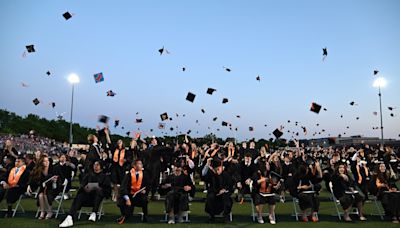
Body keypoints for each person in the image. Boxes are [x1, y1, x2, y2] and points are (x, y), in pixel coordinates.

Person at [59, 161, 111, 227]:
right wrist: (85, 188)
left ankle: (94, 212)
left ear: (101, 166)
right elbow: (82, 185)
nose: (95, 166)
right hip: (87, 197)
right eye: (94, 164)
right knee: (80, 196)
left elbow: (107, 190)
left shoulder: (105, 177)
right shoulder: (88, 175)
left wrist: (98, 187)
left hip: (97, 198)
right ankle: (70, 217)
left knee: (98, 191)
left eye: (97, 165)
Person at [116, 159, 150, 224]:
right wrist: (127, 199)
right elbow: (123, 187)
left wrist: (145, 190)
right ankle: (123, 214)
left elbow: (148, 184)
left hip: (139, 195)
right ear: (134, 166)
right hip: (129, 195)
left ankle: (145, 215)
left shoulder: (145, 174)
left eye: (141, 164)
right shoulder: (128, 175)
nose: (141, 165)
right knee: (120, 200)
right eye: (139, 164)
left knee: (144, 199)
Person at [27, 154, 58, 219]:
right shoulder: (38, 170)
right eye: (44, 161)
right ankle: (42, 211)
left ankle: (50, 212)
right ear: (41, 162)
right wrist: (29, 185)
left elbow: (58, 177)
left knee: (45, 195)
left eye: (48, 161)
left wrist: (54, 179)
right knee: (41, 195)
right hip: (43, 188)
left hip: (52, 188)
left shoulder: (53, 168)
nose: (47, 162)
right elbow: (32, 178)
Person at [202, 158, 233, 223]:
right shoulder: (211, 175)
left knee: (226, 198)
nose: (218, 170)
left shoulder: (226, 174)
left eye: (219, 168)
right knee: (210, 197)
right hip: (214, 192)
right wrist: (207, 165)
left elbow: (230, 186)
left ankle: (226, 216)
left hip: (224, 194)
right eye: (216, 169)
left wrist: (224, 190)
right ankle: (211, 215)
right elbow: (203, 176)